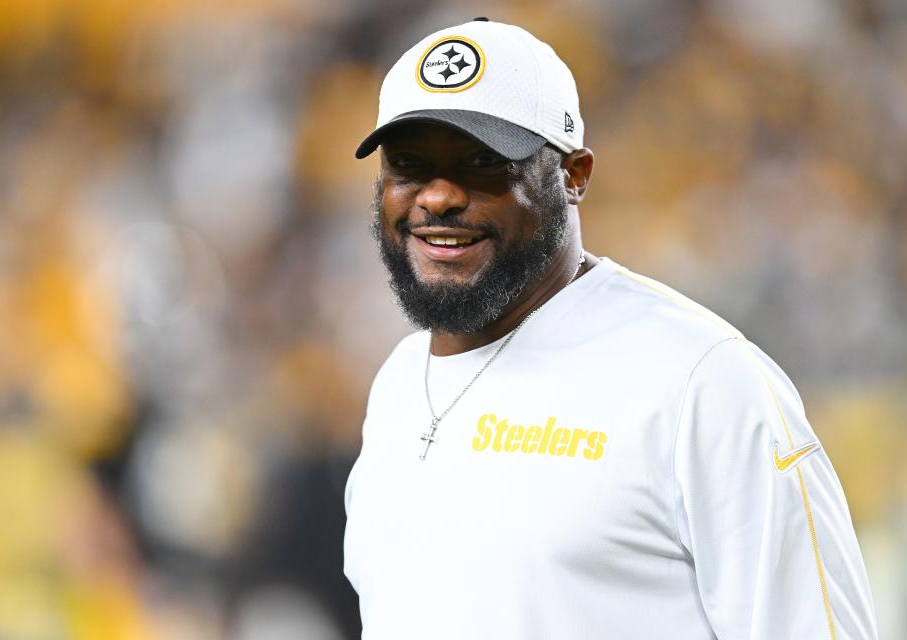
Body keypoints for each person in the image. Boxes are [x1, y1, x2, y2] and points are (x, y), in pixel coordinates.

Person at [343, 18, 877, 639]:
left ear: (575, 175)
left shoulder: (701, 380)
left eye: (482, 164)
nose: (437, 197)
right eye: (410, 164)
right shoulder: (399, 382)